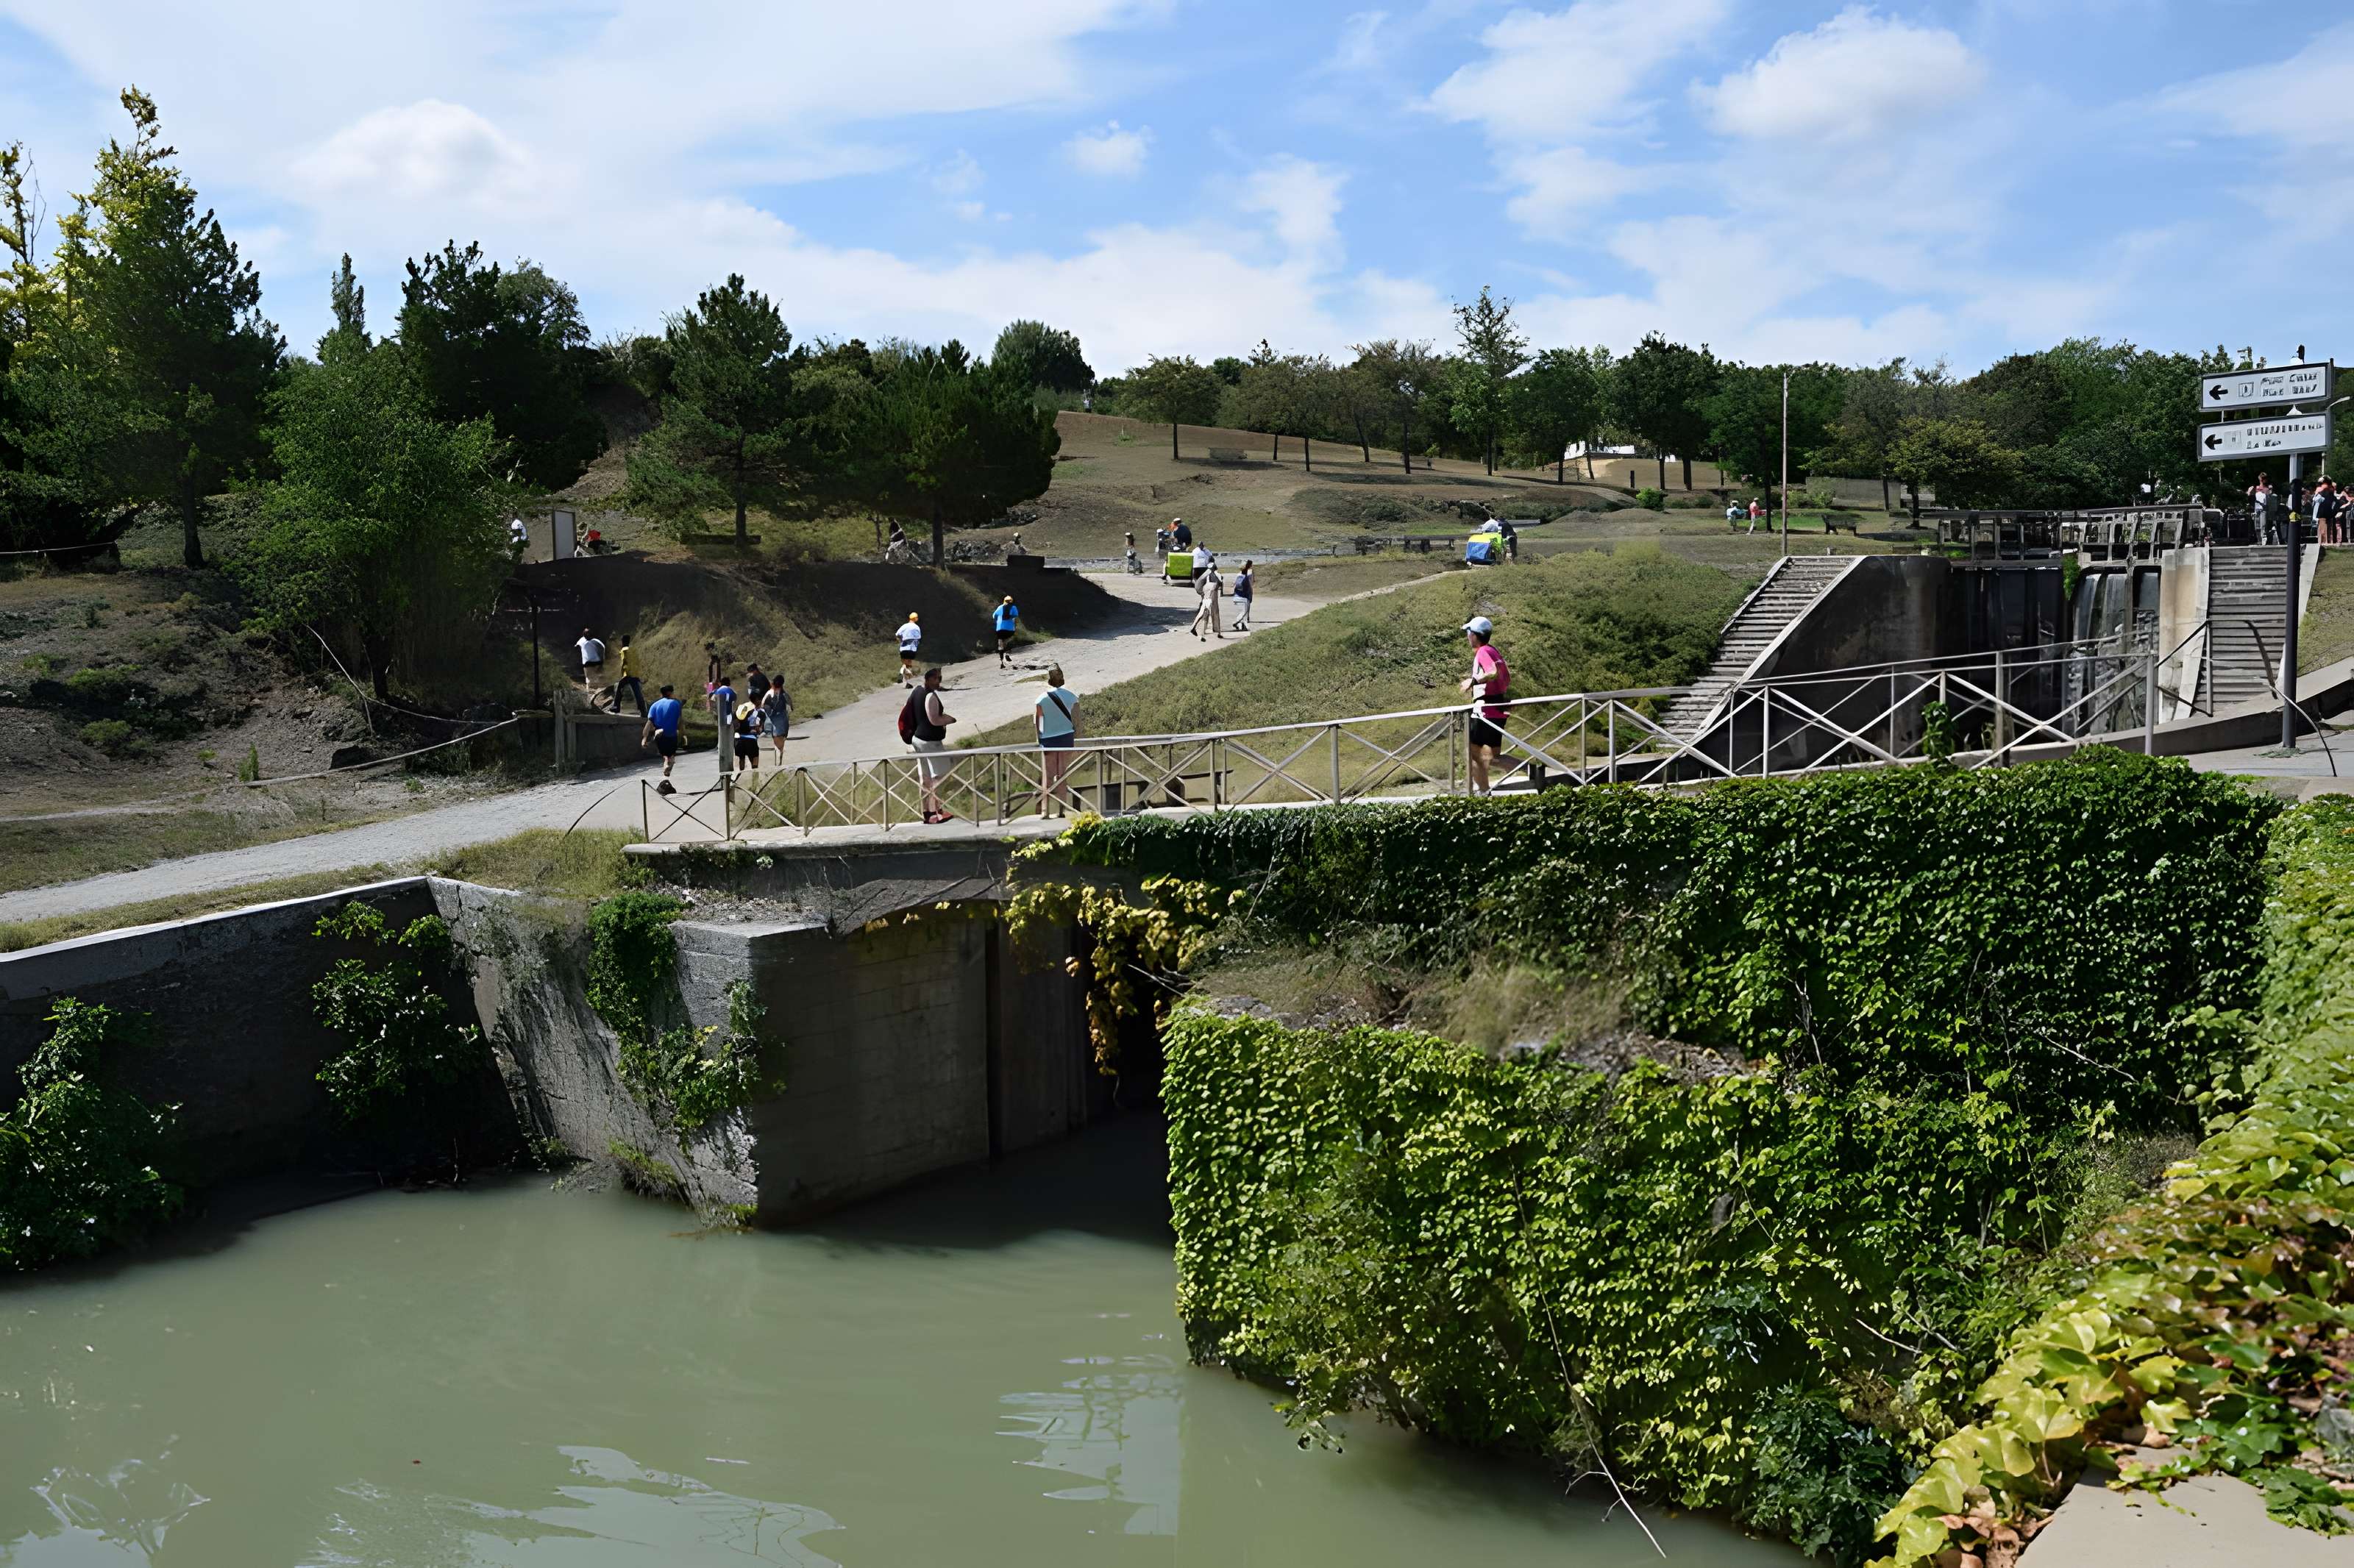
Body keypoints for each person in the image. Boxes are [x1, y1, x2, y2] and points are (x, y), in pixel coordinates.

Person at [1459, 615, 1510, 796]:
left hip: (1485, 712)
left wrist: (1472, 681)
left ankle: (1482, 794)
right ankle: (1532, 769)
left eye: (1468, 632)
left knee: (1473, 754)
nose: (1467, 635)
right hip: (1498, 710)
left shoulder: (1482, 652)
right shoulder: (1494, 651)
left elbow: (1492, 672)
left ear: (1474, 635)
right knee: (1494, 758)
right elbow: (1505, 678)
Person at [901, 667, 957, 822]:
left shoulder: (916, 692)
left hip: (917, 739)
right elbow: (935, 720)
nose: (940, 681)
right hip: (930, 742)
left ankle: (926, 813)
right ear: (930, 679)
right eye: (938, 678)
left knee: (925, 778)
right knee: (939, 777)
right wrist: (949, 720)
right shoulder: (930, 696)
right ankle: (937, 813)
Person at [1035, 663, 1078, 816]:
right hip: (1066, 737)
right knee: (1063, 774)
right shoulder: (1072, 697)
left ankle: (1045, 811)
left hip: (1048, 740)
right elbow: (1077, 722)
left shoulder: (1041, 699)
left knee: (1047, 776)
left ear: (1049, 681)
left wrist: (1040, 739)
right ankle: (1062, 810)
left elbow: (1039, 722)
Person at [641, 684, 685, 794]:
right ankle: (667, 765)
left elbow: (649, 723)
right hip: (672, 735)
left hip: (660, 737)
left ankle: (658, 732)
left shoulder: (654, 705)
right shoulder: (676, 703)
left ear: (661, 694)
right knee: (671, 757)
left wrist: (644, 738)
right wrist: (684, 735)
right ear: (670, 692)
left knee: (665, 754)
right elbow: (680, 721)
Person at [1190, 555, 1224, 640]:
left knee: (1204, 613)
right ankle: (1200, 630)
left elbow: (1199, 586)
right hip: (1210, 598)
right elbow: (1219, 584)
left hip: (1207, 597)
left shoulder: (1206, 575)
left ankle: (1215, 631)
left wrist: (1201, 592)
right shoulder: (1213, 575)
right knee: (1209, 614)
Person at [612, 635, 644, 717]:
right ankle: (643, 710)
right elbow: (637, 662)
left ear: (623, 641)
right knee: (637, 692)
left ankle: (616, 707)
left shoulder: (624, 650)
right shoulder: (634, 650)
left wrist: (623, 674)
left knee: (619, 687)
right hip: (635, 674)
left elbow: (624, 663)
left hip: (628, 674)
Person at [761, 675, 792, 763]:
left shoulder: (768, 694)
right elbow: (790, 709)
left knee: (775, 745)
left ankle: (776, 765)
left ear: (772, 683)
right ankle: (779, 765)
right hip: (781, 723)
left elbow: (763, 706)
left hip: (769, 723)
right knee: (780, 746)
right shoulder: (785, 695)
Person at [731, 699, 762, 776]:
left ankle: (740, 779)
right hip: (751, 740)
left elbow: (733, 725)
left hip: (739, 740)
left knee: (741, 759)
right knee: (754, 760)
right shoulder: (754, 714)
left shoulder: (736, 714)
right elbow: (759, 729)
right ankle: (755, 780)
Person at [575, 627, 605, 697]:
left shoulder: (594, 641)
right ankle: (594, 694)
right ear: (584, 635)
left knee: (591, 678)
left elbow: (603, 648)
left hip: (593, 662)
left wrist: (603, 657)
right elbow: (603, 647)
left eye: (589, 634)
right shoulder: (585, 640)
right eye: (586, 634)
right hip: (591, 662)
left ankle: (593, 694)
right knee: (592, 678)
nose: (588, 636)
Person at [896, 612, 923, 685]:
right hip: (912, 649)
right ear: (915, 619)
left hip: (904, 648)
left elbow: (897, 634)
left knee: (905, 663)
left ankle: (902, 674)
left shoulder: (904, 626)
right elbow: (919, 638)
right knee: (908, 664)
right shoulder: (917, 627)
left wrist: (901, 640)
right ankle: (907, 678)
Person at [992, 596, 1020, 667]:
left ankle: (1002, 662)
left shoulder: (999, 607)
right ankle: (1007, 654)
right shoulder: (1013, 607)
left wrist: (998, 620)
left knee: (1001, 644)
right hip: (1009, 629)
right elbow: (1016, 615)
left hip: (999, 628)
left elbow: (994, 616)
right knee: (1008, 641)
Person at [1231, 560, 1255, 631]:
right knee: (1245, 611)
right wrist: (1251, 594)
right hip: (1245, 596)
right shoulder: (1249, 574)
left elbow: (1233, 584)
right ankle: (1237, 622)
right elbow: (1251, 585)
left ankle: (1241, 626)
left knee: (1241, 611)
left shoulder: (1238, 574)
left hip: (1237, 595)